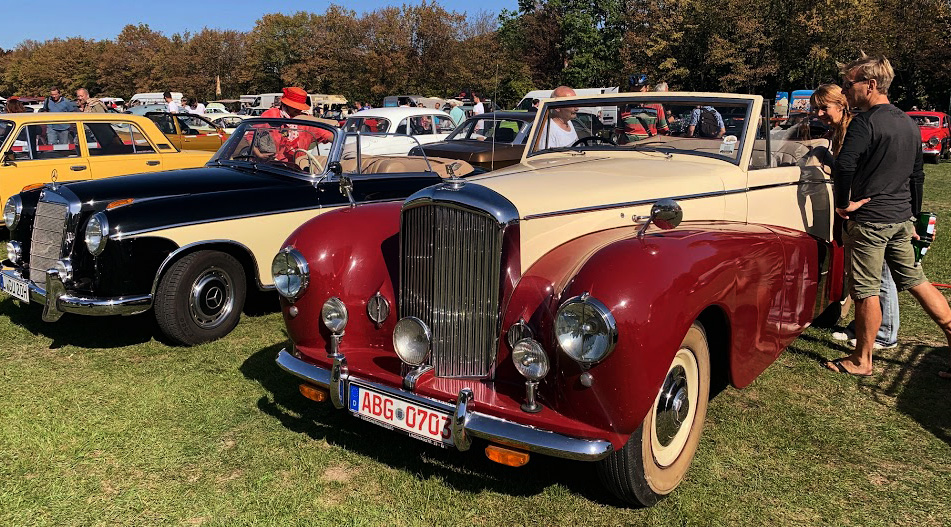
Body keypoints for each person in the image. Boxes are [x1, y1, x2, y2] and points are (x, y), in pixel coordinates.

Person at [825, 54, 951, 377]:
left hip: (869, 222)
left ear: (870, 85)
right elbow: (917, 175)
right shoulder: (909, 123)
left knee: (865, 291)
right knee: (918, 283)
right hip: (900, 220)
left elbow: (844, 165)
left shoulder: (864, 123)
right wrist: (914, 218)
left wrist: (843, 205)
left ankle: (861, 359)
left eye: (849, 83)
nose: (845, 89)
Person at [812, 84, 899, 350]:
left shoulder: (855, 128)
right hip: (859, 208)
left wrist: (845, 200)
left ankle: (884, 333)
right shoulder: (841, 129)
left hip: (868, 209)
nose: (819, 113)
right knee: (860, 272)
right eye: (816, 108)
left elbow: (855, 167)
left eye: (824, 107)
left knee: (879, 274)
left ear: (841, 104)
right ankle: (862, 327)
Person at [260, 86, 334, 163]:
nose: (298, 109)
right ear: (286, 104)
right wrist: (260, 155)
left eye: (300, 107)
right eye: (294, 106)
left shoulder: (306, 121)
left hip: (296, 169)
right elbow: (251, 136)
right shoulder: (271, 115)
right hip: (270, 166)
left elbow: (328, 135)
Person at [620, 76, 669, 141]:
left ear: (647, 88)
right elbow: (619, 133)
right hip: (628, 148)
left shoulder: (657, 106)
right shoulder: (624, 108)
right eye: (634, 92)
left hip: (649, 148)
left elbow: (663, 131)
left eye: (640, 92)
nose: (637, 95)